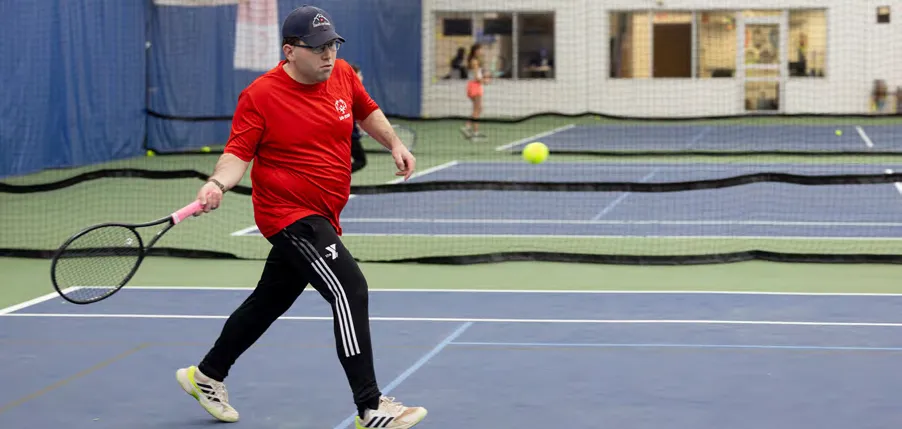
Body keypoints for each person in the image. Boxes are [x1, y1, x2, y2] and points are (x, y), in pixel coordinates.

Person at [174, 5, 426, 429]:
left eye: (332, 45)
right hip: (289, 215)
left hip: (326, 210)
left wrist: (394, 144)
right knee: (349, 290)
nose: (328, 54)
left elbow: (366, 111)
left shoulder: (342, 74)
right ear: (290, 51)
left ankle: (206, 375)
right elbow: (237, 154)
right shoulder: (260, 95)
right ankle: (370, 405)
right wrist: (217, 185)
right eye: (317, 48)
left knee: (268, 301)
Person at [460, 43, 489, 139]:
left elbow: (478, 75)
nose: (482, 51)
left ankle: (472, 130)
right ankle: (468, 128)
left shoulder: (476, 61)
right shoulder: (474, 61)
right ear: (475, 51)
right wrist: (484, 81)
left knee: (478, 109)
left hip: (474, 86)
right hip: (474, 86)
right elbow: (477, 77)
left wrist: (484, 77)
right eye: (480, 49)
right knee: (477, 109)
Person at [349, 64, 367, 173]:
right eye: (360, 74)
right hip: (350, 136)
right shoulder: (354, 93)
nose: (362, 77)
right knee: (361, 161)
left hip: (350, 134)